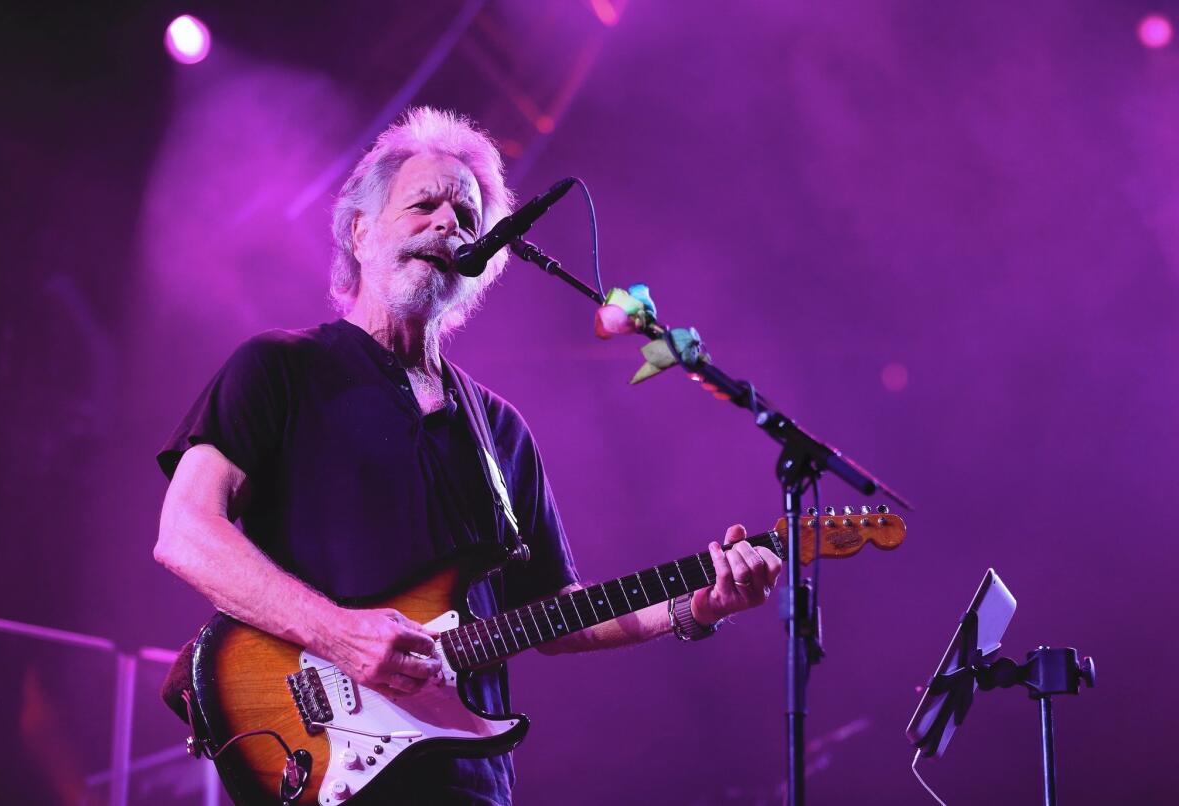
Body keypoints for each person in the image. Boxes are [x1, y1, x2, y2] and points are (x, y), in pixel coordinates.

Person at [153, 106, 782, 804]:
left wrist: (696, 607)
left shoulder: (501, 430)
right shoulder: (280, 369)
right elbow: (185, 533)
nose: (447, 224)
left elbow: (555, 614)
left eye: (466, 216)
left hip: (471, 781)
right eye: (423, 204)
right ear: (360, 231)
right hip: (328, 762)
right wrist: (337, 635)